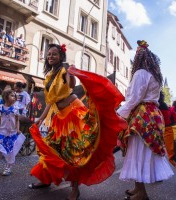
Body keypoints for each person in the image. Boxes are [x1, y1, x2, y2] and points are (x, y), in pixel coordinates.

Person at [28, 43, 126, 200]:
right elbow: (50, 101)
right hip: (59, 116)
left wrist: (70, 72)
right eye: (49, 54)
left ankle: (74, 190)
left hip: (73, 112)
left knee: (72, 152)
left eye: (54, 54)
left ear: (61, 57)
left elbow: (71, 85)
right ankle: (44, 179)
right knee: (51, 148)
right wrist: (41, 117)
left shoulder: (63, 71)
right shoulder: (48, 77)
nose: (51, 56)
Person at [117, 40, 174, 200]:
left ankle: (141, 193)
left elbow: (134, 97)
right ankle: (137, 188)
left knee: (137, 152)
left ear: (139, 59)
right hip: (153, 115)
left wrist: (120, 114)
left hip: (142, 115)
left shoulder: (140, 73)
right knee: (141, 151)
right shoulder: (154, 76)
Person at [0, 90, 26, 176]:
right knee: (0, 148)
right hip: (2, 132)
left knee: (10, 150)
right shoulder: (0, 108)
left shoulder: (15, 109)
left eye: (14, 96)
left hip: (12, 133)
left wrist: (17, 130)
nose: (14, 98)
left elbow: (17, 120)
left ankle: (8, 167)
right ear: (6, 97)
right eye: (12, 96)